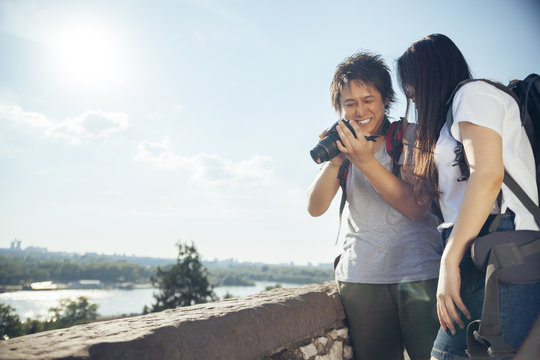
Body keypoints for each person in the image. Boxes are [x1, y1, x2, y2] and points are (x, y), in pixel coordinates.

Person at [396, 33, 540, 360]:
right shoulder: (453, 114)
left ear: (429, 74)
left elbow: (488, 175)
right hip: (478, 248)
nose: (411, 94)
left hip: (500, 248)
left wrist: (450, 257)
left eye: (412, 84)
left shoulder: (472, 94)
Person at [307, 51, 442, 360]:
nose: (360, 111)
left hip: (420, 273)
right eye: (349, 104)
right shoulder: (345, 145)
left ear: (385, 100)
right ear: (340, 108)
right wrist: (336, 161)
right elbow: (315, 207)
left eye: (368, 100)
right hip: (360, 278)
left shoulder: (412, 137)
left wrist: (365, 161)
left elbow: (416, 207)